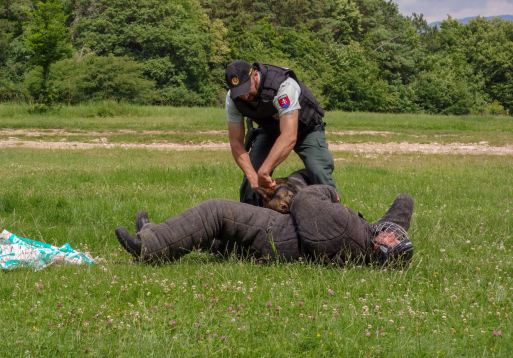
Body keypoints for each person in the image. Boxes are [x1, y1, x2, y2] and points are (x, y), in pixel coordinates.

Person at [115, 185, 414, 267]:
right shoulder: (373, 242)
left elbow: (304, 202)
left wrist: (329, 193)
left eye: (390, 237)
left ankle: (150, 247)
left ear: (381, 244)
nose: (390, 231)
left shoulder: (345, 227)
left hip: (274, 232)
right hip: (284, 244)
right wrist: (400, 211)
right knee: (219, 242)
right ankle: (153, 231)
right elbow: (403, 205)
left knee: (216, 211)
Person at [225, 60, 335, 205]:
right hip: (270, 129)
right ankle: (250, 221)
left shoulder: (282, 85)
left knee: (318, 170)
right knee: (251, 178)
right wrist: (253, 176)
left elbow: (289, 137)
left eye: (246, 88)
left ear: (255, 75)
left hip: (307, 127)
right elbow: (236, 143)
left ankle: (338, 216)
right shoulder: (233, 99)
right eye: (239, 92)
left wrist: (264, 172)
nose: (244, 96)